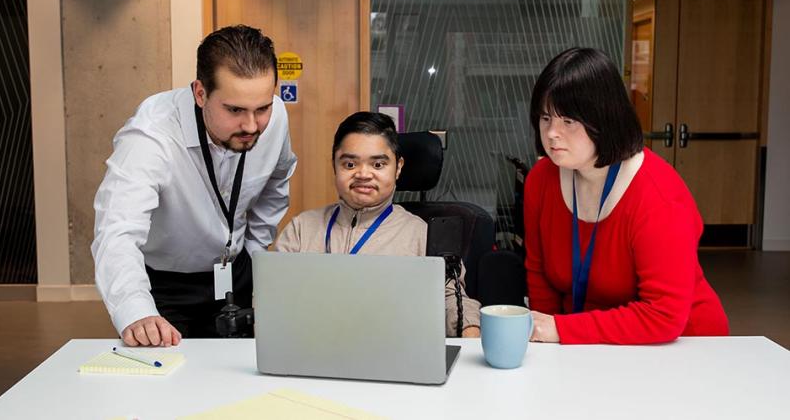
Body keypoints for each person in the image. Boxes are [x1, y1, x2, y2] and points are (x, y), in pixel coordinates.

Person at [92, 25, 297, 346]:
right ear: (200, 93)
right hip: (167, 283)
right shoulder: (151, 136)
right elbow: (117, 231)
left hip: (237, 271)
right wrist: (135, 310)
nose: (251, 125)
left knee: (236, 376)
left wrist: (256, 254)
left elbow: (276, 182)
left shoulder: (275, 118)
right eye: (234, 110)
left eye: (262, 108)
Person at [523, 47, 729, 345]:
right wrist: (546, 340)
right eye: (545, 118)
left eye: (568, 121)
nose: (552, 133)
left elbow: (663, 315)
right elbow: (539, 275)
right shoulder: (542, 180)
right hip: (596, 346)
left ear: (603, 119)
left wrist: (562, 330)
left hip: (685, 349)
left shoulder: (656, 195)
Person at [274, 112, 482, 337]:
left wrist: (469, 329)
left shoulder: (422, 235)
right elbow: (273, 298)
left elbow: (452, 298)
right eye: (350, 163)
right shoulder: (301, 229)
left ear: (398, 167)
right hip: (311, 349)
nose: (363, 174)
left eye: (378, 164)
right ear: (334, 165)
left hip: (396, 353)